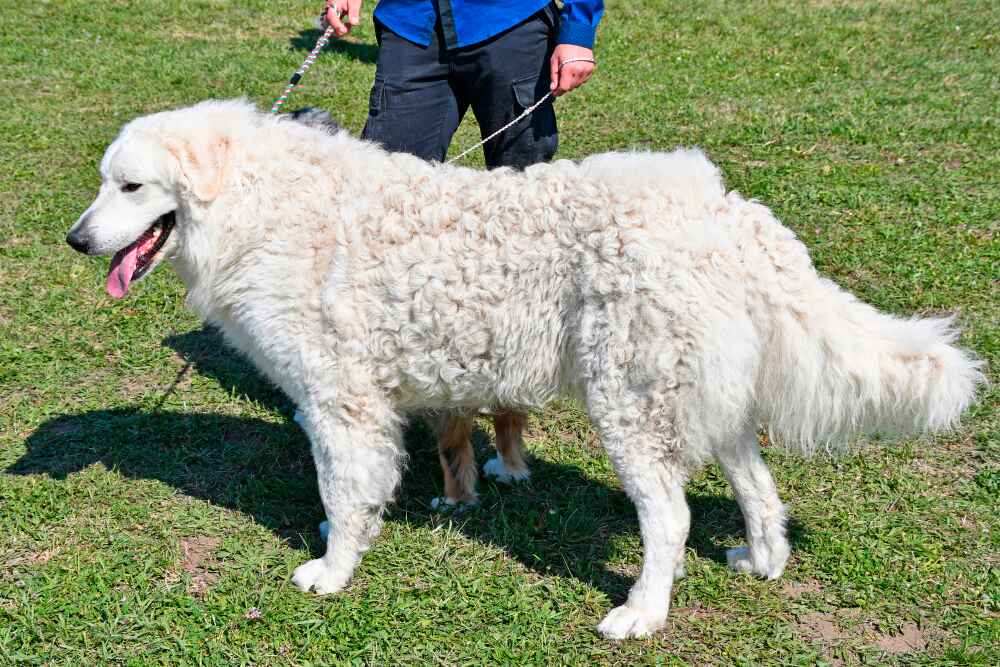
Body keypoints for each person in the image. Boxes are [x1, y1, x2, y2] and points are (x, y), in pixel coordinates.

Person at [321, 0, 604, 506]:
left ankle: (509, 428)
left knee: (521, 237)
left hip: (509, 23)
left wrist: (578, 28)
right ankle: (379, 400)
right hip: (413, 29)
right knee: (382, 219)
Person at [323, 0, 603, 167]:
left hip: (511, 23)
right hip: (412, 23)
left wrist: (578, 29)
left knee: (521, 191)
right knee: (384, 185)